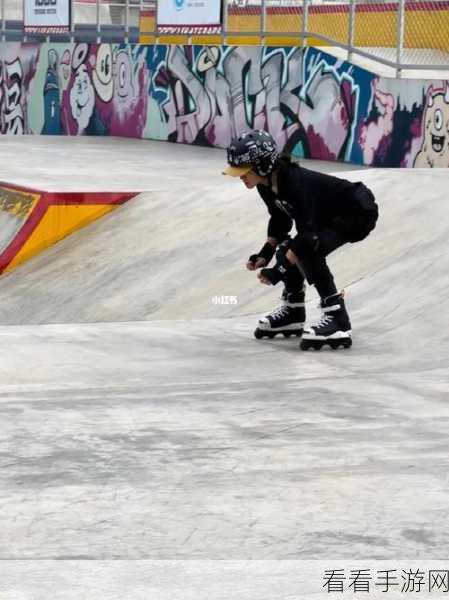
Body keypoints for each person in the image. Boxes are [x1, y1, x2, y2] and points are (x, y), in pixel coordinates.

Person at [223, 130, 378, 350]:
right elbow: (280, 219)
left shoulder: (295, 183)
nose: (240, 176)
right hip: (329, 214)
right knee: (289, 248)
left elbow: (307, 238)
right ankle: (294, 310)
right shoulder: (265, 185)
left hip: (357, 212)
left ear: (262, 165)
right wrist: (265, 254)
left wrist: (278, 271)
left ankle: (337, 319)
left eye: (243, 171)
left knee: (307, 250)